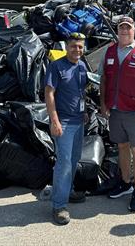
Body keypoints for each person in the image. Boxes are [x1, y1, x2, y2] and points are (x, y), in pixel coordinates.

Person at [99, 16, 135, 212]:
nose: (124, 31)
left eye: (128, 28)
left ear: (134, 30)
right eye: (121, 28)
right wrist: (103, 104)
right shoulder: (110, 51)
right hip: (115, 110)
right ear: (117, 31)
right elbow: (104, 79)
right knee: (122, 146)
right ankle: (125, 183)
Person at [45, 32, 88, 225]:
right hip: (63, 122)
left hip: (78, 121)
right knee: (63, 164)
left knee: (73, 160)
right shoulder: (56, 66)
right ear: (67, 47)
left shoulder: (81, 66)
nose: (77, 50)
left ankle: (67, 192)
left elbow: (81, 92)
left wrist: (85, 111)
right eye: (73, 46)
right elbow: (49, 94)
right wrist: (54, 121)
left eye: (80, 47)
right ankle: (59, 206)